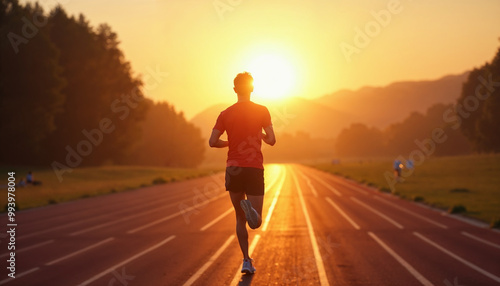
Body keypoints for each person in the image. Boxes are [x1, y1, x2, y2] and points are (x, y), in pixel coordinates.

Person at [209, 72, 276, 274]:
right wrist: (261, 135)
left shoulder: (225, 114)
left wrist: (230, 142)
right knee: (256, 222)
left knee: (239, 219)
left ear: (235, 89)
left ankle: (246, 260)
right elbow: (272, 139)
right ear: (252, 88)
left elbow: (212, 142)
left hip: (234, 169)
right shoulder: (262, 111)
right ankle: (253, 214)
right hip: (254, 167)